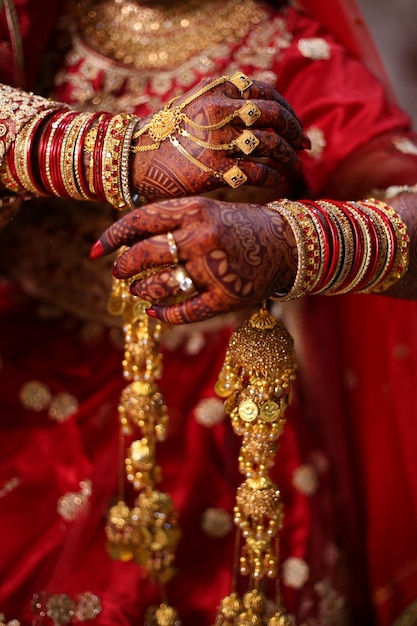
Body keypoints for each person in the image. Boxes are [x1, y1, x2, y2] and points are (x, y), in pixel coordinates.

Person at [1, 1, 417, 625]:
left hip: (218, 423)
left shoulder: (290, 52)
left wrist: (288, 243)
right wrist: (126, 151)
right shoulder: (32, 20)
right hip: (23, 392)